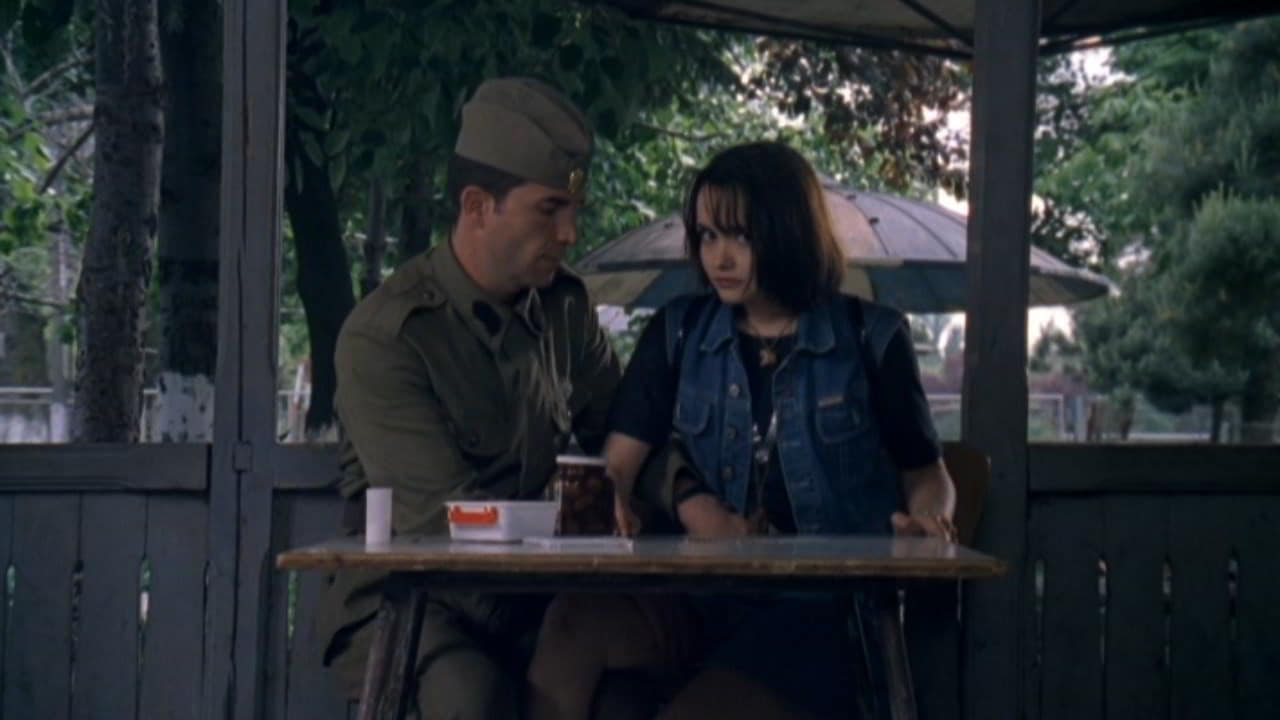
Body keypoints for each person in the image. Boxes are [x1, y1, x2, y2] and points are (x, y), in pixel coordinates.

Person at [527, 141, 957, 720]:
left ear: (788, 231)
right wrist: (615, 497)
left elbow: (927, 474)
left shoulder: (870, 337)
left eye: (739, 236)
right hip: (699, 595)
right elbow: (619, 463)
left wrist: (928, 522)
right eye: (707, 236)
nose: (719, 257)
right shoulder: (679, 332)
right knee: (572, 622)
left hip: (823, 612)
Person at [319, 77, 623, 720]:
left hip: (533, 593)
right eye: (550, 210)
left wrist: (682, 493)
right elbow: (442, 527)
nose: (570, 233)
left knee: (637, 695)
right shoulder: (390, 336)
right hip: (415, 598)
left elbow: (626, 429)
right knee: (472, 700)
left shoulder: (565, 310)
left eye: (574, 210)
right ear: (479, 206)